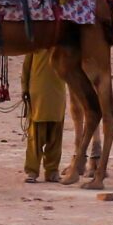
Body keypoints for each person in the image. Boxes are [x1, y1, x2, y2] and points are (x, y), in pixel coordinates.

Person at [21, 45, 66, 183]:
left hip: (56, 93)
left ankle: (51, 170)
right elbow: (26, 68)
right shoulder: (37, 44)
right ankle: (33, 171)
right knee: (36, 137)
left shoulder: (62, 45)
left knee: (54, 135)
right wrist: (25, 89)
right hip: (39, 94)